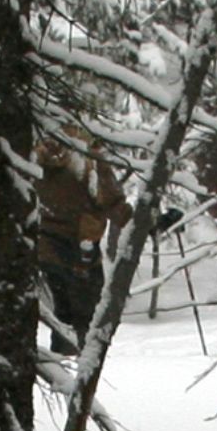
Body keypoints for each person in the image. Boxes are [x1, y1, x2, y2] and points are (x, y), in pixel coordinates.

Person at [34, 134, 130, 348]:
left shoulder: (35, 155)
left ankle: (61, 372)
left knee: (62, 318)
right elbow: (114, 205)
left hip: (45, 248)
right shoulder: (89, 161)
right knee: (89, 322)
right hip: (82, 251)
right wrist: (147, 220)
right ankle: (81, 376)